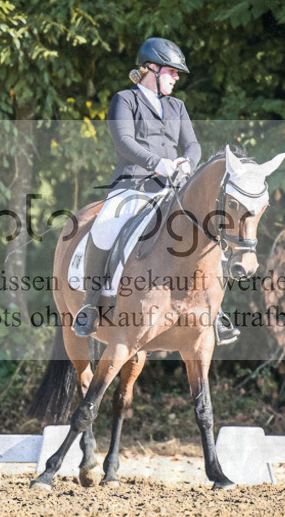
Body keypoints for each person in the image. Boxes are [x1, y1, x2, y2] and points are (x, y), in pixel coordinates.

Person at [73, 38, 239, 344]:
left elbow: (193, 144)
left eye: (177, 74)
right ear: (151, 68)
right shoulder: (125, 101)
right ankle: (90, 304)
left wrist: (187, 163)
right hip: (133, 185)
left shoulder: (177, 106)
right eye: (172, 72)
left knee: (209, 232)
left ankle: (215, 311)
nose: (176, 78)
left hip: (172, 188)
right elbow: (124, 141)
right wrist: (157, 163)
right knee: (106, 227)